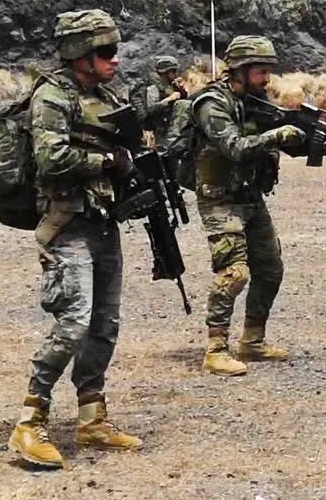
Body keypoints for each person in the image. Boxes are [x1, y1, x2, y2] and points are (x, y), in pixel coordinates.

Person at [8, 9, 143, 469]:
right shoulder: (51, 97)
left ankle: (92, 417)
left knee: (105, 325)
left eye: (115, 51)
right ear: (80, 55)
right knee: (74, 324)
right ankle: (30, 421)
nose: (115, 61)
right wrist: (108, 160)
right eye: (106, 52)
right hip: (67, 227)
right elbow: (52, 159)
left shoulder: (103, 95)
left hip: (102, 224)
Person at [189, 35, 310, 376]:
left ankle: (252, 341)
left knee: (271, 269)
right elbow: (234, 147)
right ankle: (215, 348)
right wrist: (278, 135)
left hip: (250, 196)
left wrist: (307, 140)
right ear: (239, 70)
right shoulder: (212, 103)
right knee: (234, 272)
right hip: (219, 197)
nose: (267, 79)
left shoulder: (255, 102)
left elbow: (269, 140)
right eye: (260, 71)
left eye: (268, 71)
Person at [132, 55, 185, 149]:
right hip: (159, 134)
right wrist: (168, 100)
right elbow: (150, 110)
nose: (176, 74)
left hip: (174, 131)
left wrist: (183, 92)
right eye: (173, 71)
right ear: (165, 73)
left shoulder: (172, 87)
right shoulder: (154, 89)